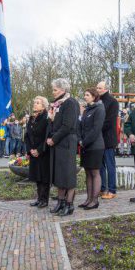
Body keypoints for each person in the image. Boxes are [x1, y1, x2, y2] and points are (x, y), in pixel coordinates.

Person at [47, 78, 80, 216]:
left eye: (55, 89)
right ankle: (60, 202)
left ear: (63, 90)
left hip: (67, 142)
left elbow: (67, 125)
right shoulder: (58, 104)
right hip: (60, 143)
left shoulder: (70, 103)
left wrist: (54, 139)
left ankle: (69, 204)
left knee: (68, 175)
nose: (53, 92)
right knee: (60, 174)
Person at [78, 88, 106, 210]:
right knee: (88, 172)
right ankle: (88, 199)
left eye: (87, 95)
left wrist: (85, 142)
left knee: (95, 173)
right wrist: (80, 140)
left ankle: (94, 200)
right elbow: (80, 127)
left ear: (94, 96)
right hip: (85, 145)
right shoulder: (86, 110)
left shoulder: (99, 109)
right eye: (85, 94)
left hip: (95, 146)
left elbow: (96, 129)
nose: (85, 97)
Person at [25, 96, 50, 208]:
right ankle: (39, 198)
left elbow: (47, 136)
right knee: (37, 177)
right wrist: (30, 149)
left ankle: (44, 199)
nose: (35, 104)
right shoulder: (31, 119)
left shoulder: (46, 118)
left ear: (44, 106)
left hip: (43, 152)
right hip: (33, 151)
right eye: (34, 102)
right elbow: (27, 136)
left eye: (38, 103)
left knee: (44, 177)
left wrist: (39, 150)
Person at [96, 81, 119, 199]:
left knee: (110, 165)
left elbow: (110, 121)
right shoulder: (97, 101)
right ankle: (102, 188)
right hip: (98, 138)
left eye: (99, 88)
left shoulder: (113, 102)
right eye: (97, 87)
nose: (97, 89)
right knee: (100, 165)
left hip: (108, 138)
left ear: (106, 89)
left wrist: (96, 129)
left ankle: (112, 189)